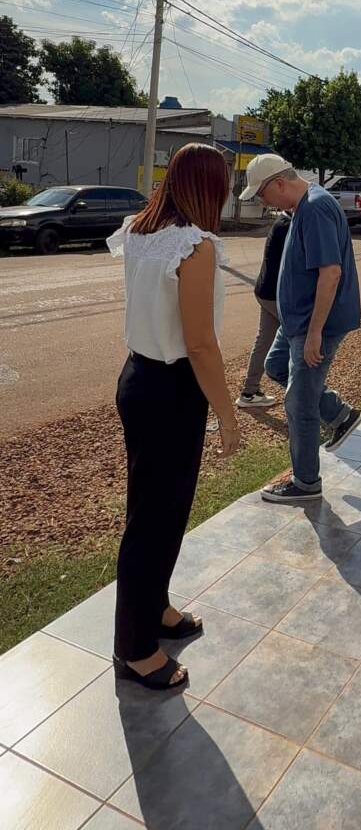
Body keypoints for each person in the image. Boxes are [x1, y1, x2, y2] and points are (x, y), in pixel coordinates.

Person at [108, 144, 242, 691]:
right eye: (226, 181)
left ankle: (156, 608)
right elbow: (201, 344)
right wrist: (229, 416)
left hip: (139, 378)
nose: (230, 190)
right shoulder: (196, 245)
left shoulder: (141, 231)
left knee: (159, 510)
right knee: (153, 519)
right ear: (210, 186)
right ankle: (135, 647)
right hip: (169, 389)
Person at [237, 155, 361, 503]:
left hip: (312, 325)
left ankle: (306, 483)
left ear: (279, 183)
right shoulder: (302, 207)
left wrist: (314, 333)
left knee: (300, 402)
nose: (262, 203)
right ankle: (340, 414)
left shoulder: (316, 208)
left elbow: (330, 272)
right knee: (275, 366)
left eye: (262, 194)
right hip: (296, 323)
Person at [235, 211, 290, 408]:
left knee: (264, 341)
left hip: (265, 291)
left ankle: (249, 392)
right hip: (275, 295)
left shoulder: (281, 222)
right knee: (301, 339)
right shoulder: (287, 226)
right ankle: (306, 397)